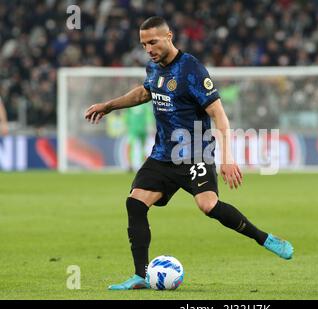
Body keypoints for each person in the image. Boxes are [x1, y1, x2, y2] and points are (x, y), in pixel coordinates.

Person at [84, 16, 294, 290]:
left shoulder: (191, 69)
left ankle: (264, 238)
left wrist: (227, 157)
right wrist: (109, 105)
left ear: (169, 36)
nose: (148, 48)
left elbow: (219, 115)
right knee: (135, 203)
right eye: (144, 44)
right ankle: (140, 275)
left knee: (208, 206)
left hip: (195, 154)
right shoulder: (154, 67)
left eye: (153, 42)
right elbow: (143, 94)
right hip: (162, 156)